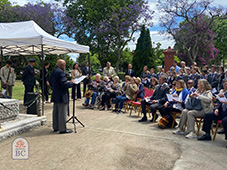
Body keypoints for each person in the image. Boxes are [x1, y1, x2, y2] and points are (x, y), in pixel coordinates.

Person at [50, 59, 75, 134]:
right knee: (62, 112)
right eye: (64, 65)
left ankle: (56, 126)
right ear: (61, 65)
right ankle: (62, 129)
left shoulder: (53, 71)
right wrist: (72, 83)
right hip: (62, 94)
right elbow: (64, 84)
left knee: (56, 111)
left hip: (55, 93)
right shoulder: (61, 72)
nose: (65, 67)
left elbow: (52, 82)